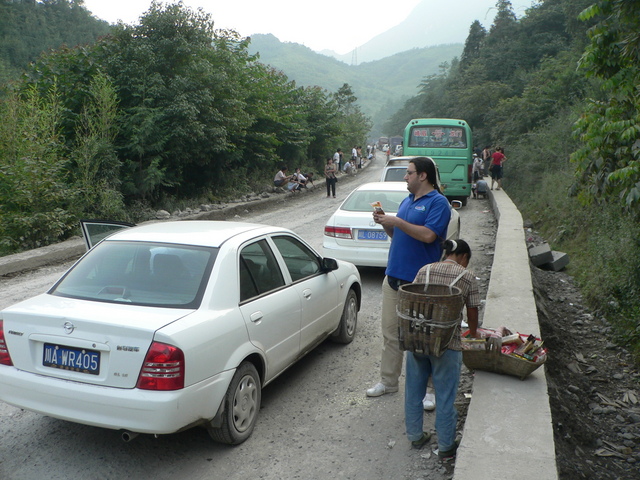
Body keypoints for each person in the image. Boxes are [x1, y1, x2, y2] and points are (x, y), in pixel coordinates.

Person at [366, 157, 452, 398]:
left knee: (423, 337)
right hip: (393, 277)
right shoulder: (407, 201)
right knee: (391, 334)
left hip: (419, 283)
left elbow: (427, 236)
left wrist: (398, 221)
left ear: (423, 175)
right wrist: (386, 223)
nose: (405, 177)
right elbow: (399, 235)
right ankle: (388, 381)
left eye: (409, 173)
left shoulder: (438, 203)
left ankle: (429, 389)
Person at [405, 239, 480, 456]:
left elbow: (412, 299)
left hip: (418, 339)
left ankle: (416, 436)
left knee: (413, 391)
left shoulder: (424, 270)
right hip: (448, 344)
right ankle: (446, 445)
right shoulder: (467, 277)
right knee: (445, 395)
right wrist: (474, 334)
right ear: (464, 256)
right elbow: (473, 311)